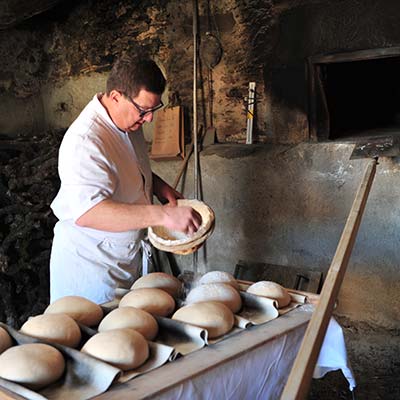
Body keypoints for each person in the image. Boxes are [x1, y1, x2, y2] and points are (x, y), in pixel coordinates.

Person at [49, 54, 202, 304]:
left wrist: (160, 187)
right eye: (143, 110)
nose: (149, 118)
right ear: (116, 96)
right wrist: (163, 215)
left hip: (124, 257)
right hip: (92, 269)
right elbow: (90, 212)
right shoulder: (86, 141)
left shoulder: (129, 122)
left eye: (154, 109)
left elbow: (125, 167)